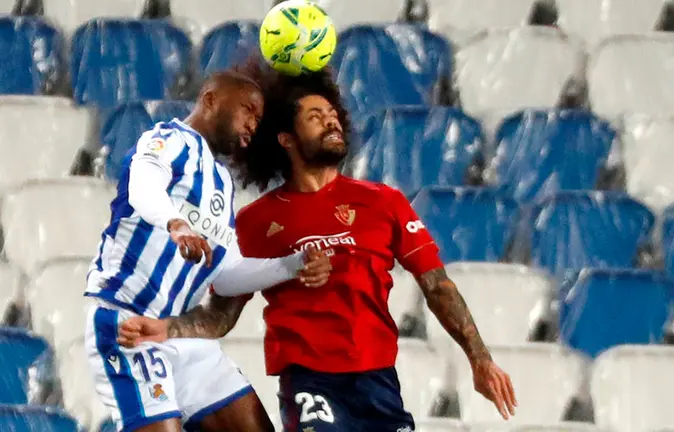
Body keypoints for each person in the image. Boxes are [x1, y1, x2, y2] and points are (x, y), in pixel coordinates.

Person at [117, 62, 517, 431]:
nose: (331, 123)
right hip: (309, 382)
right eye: (315, 117)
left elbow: (438, 286)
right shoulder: (256, 222)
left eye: (333, 117)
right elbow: (220, 316)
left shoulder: (384, 202)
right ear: (286, 139)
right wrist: (167, 329)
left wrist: (479, 359)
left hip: (380, 384)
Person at [84, 70, 332, 432]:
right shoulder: (169, 138)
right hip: (127, 323)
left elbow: (226, 274)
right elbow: (143, 183)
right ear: (211, 100)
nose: (253, 124)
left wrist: (294, 265)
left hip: (177, 332)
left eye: (259, 120)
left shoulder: (220, 182)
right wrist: (174, 223)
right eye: (248, 110)